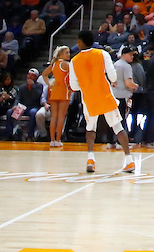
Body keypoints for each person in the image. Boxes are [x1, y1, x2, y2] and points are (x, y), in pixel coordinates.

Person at [69, 31, 135, 174]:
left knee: (90, 128)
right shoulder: (102, 54)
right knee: (118, 127)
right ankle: (129, 160)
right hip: (105, 95)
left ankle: (91, 159)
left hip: (88, 98)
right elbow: (112, 75)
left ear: (81, 42)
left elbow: (74, 87)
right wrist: (111, 81)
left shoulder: (74, 61)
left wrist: (86, 83)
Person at [40, 46, 72, 148]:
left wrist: (49, 85)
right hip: (64, 91)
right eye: (67, 53)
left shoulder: (54, 64)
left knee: (54, 117)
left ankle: (52, 140)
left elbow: (44, 74)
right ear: (61, 54)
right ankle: (58, 140)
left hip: (54, 91)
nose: (69, 55)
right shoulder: (66, 64)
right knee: (61, 117)